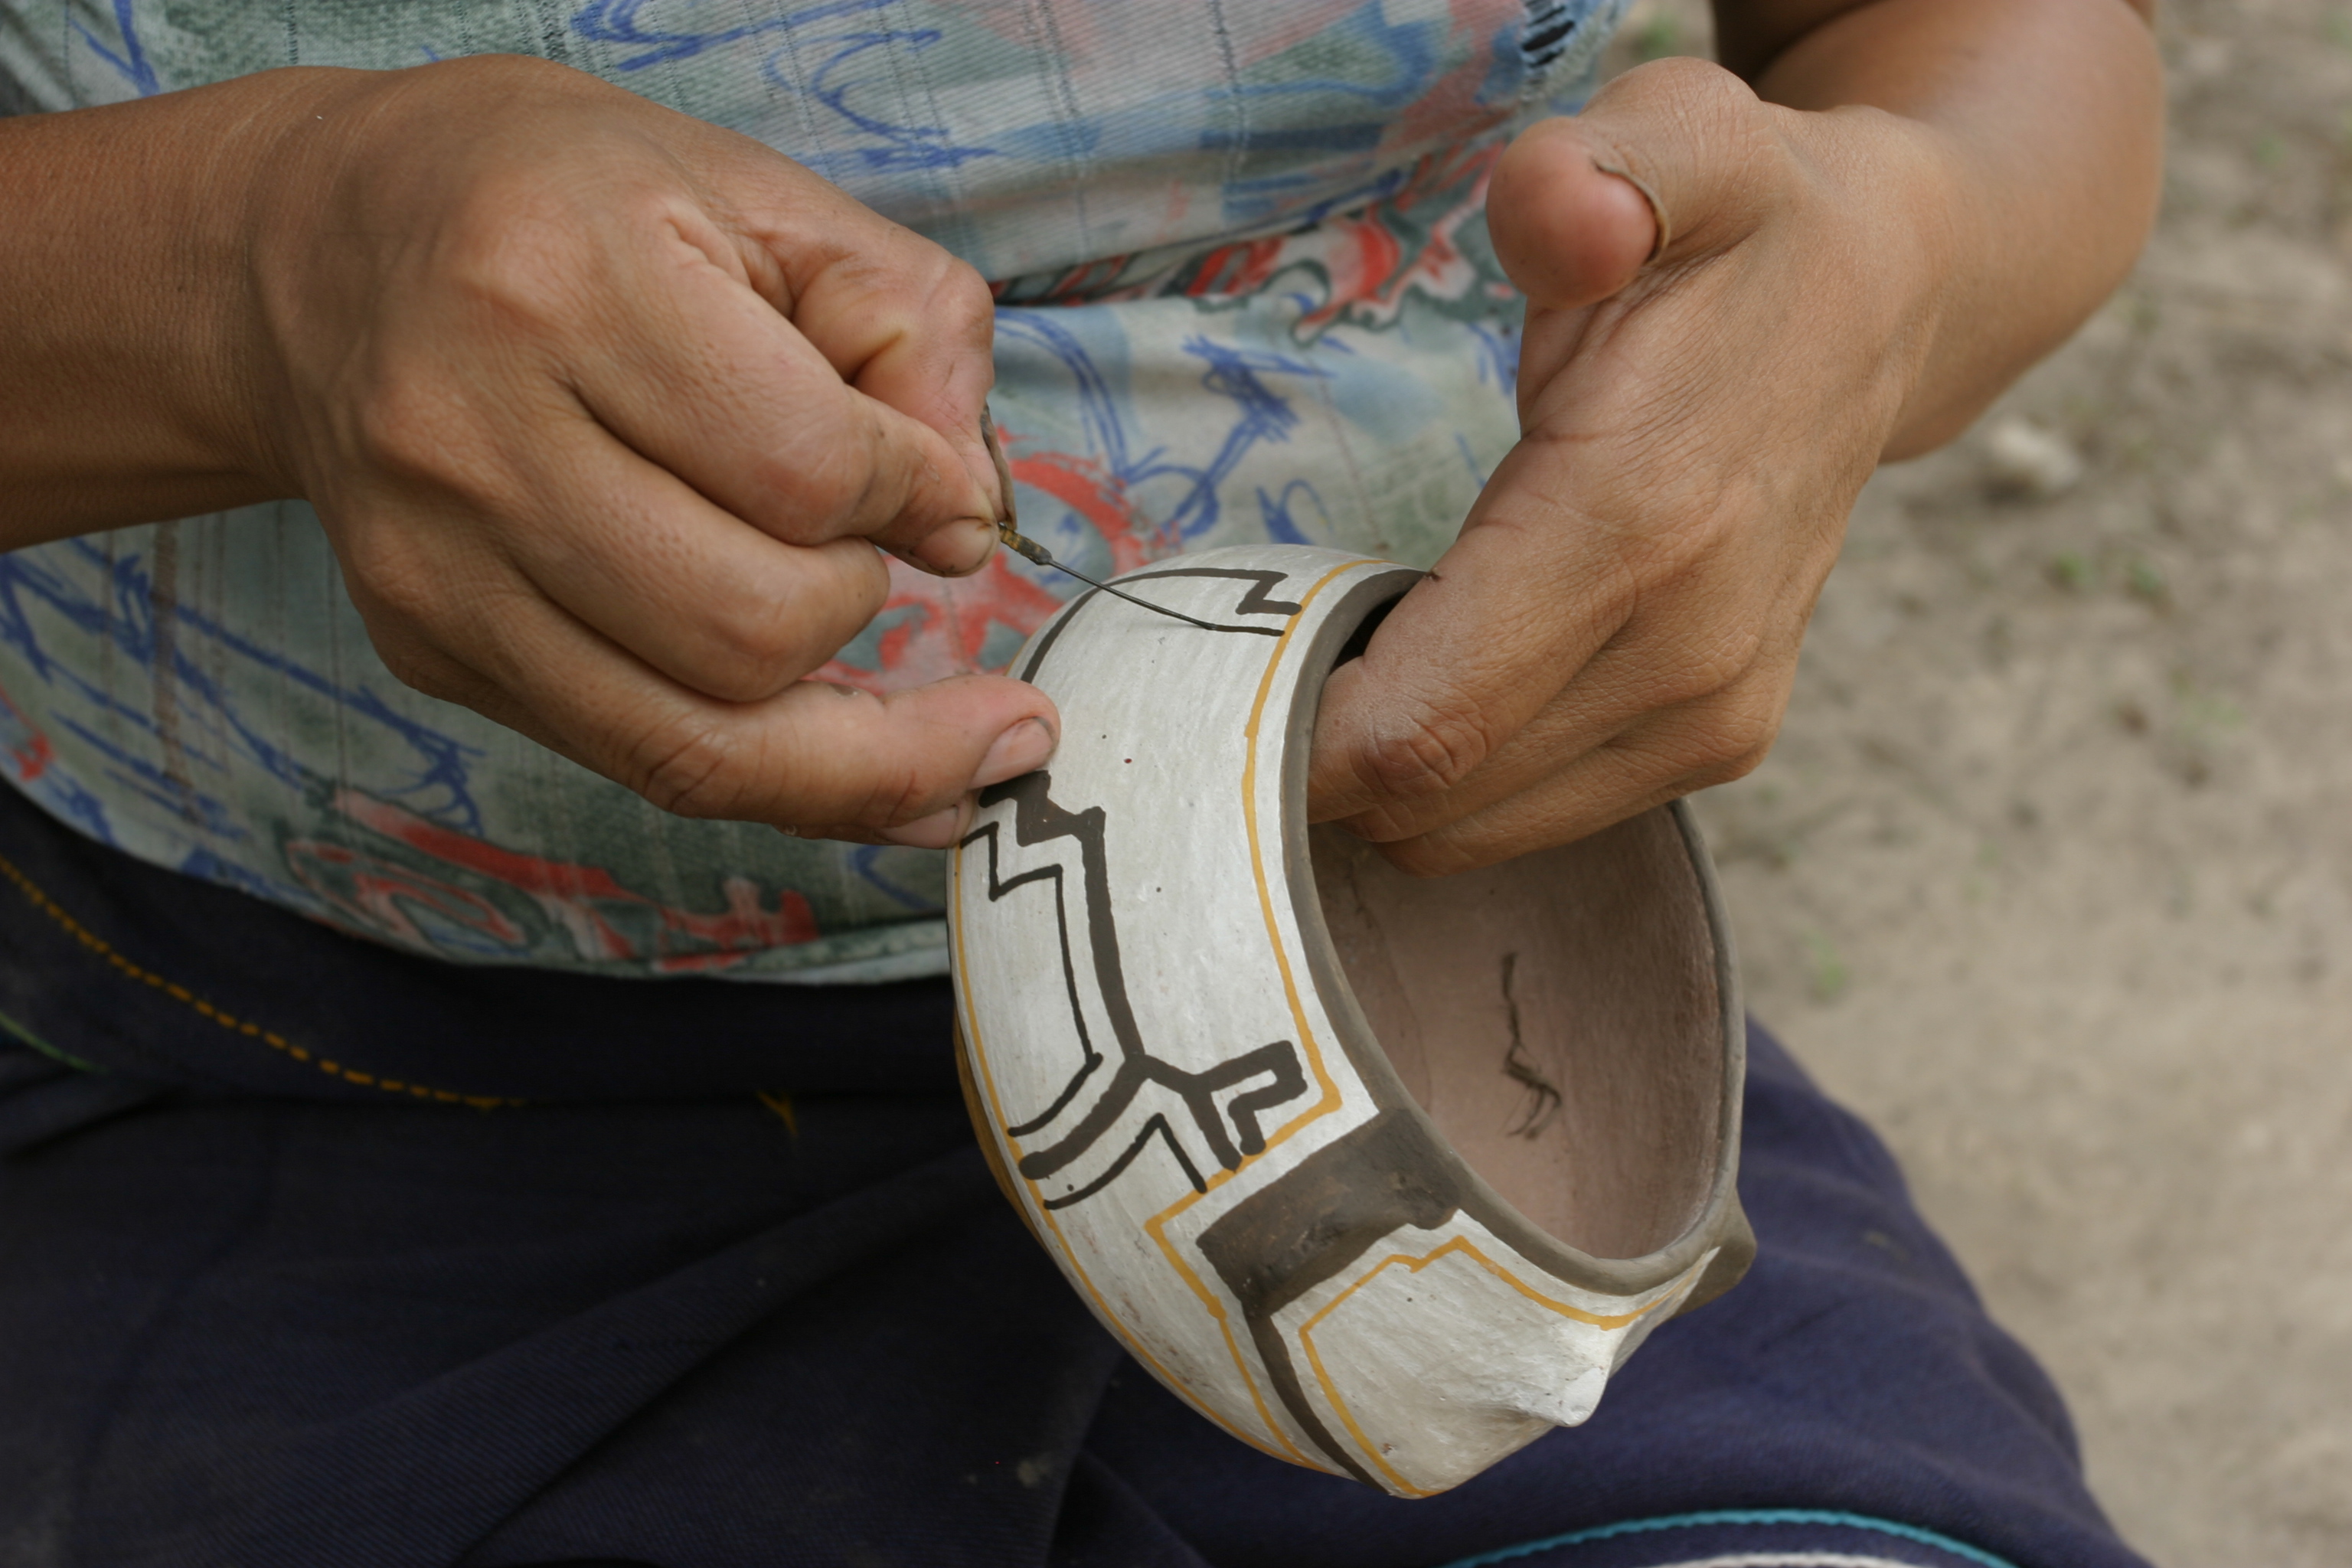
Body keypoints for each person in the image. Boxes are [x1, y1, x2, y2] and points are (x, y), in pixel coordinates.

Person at [0, 2, 2163, 1564]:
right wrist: (254, 261)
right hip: (288, 1051)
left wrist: (1894, 245)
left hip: (1407, 1030)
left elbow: (1990, 47)